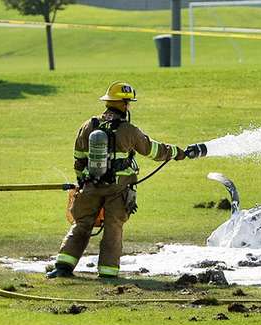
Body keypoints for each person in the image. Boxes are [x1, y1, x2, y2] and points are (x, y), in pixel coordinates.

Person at [47, 82, 191, 280]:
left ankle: (63, 266)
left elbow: (78, 157)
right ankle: (107, 273)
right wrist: (178, 152)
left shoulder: (88, 126)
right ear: (123, 105)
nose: (129, 106)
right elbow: (153, 150)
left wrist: (82, 182)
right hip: (119, 190)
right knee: (113, 228)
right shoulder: (128, 130)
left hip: (90, 186)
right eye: (128, 103)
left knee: (82, 225)